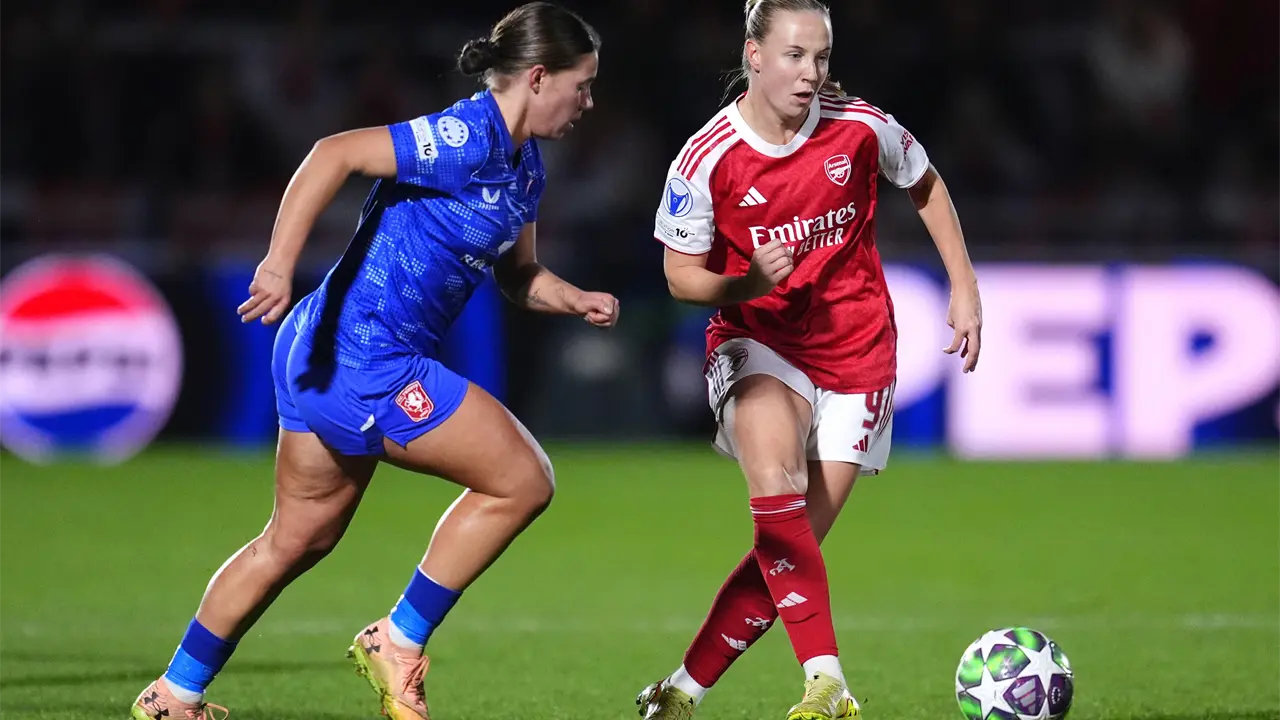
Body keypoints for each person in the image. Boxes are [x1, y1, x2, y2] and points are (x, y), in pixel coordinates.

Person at [130, 4, 614, 719]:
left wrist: (568, 297)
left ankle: (173, 694)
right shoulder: (463, 136)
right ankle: (399, 638)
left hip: (325, 349)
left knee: (294, 541)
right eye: (583, 84)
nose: (589, 103)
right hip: (364, 357)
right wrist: (276, 263)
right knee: (521, 480)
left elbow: (518, 274)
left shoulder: (525, 168)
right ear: (538, 77)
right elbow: (335, 153)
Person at [636, 1, 982, 719]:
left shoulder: (859, 126)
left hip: (857, 352)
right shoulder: (707, 158)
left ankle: (681, 692)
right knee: (776, 482)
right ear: (754, 54)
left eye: (821, 57)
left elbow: (925, 182)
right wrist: (750, 283)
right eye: (794, 55)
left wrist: (965, 286)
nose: (811, 73)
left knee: (787, 543)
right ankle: (829, 683)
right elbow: (680, 276)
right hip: (756, 338)